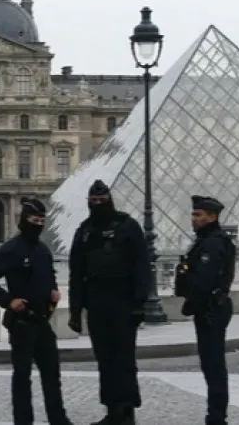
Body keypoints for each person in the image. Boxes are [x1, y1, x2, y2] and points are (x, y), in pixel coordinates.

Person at [0, 199, 71, 425]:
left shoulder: (43, 250)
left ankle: (58, 420)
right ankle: (23, 421)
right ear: (24, 220)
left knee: (52, 374)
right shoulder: (11, 249)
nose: (38, 225)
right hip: (21, 323)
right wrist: (8, 301)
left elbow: (49, 276)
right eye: (34, 220)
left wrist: (54, 291)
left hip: (42, 320)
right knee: (22, 377)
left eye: (41, 221)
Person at [68, 180, 149, 425]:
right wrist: (75, 311)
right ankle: (113, 410)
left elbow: (142, 266)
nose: (98, 205)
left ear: (110, 200)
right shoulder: (84, 231)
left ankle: (127, 411)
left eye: (102, 201)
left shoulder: (128, 226)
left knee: (124, 358)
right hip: (96, 300)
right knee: (104, 358)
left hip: (123, 300)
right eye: (94, 201)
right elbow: (76, 273)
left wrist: (140, 303)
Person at [175, 195, 236, 425]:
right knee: (210, 364)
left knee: (213, 365)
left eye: (197, 214)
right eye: (193, 214)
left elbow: (204, 280)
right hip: (208, 308)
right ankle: (216, 415)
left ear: (212, 216)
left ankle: (217, 418)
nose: (193, 218)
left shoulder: (213, 243)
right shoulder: (206, 241)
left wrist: (191, 302)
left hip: (211, 309)